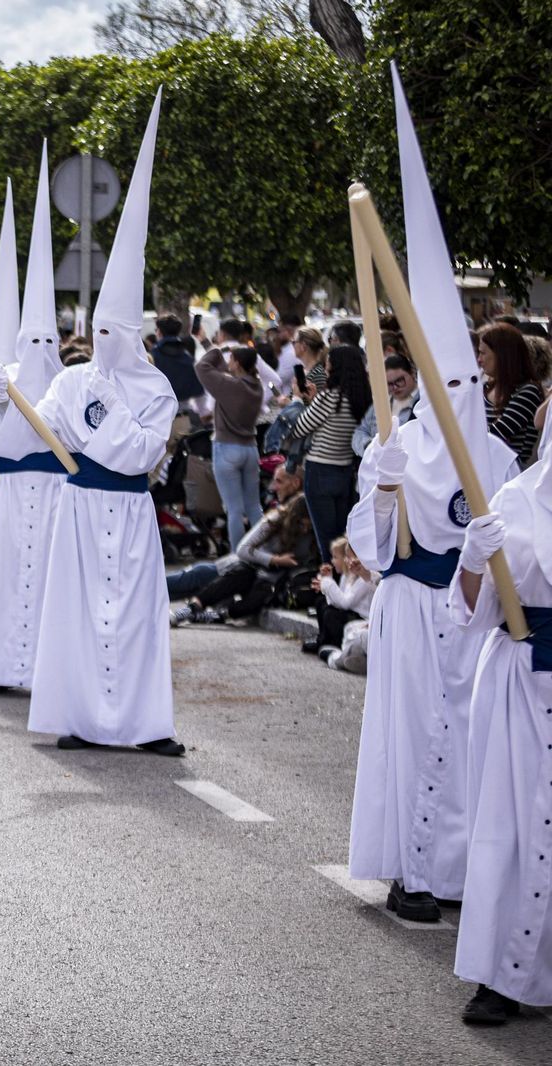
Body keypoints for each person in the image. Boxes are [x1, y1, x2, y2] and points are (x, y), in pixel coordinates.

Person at [345, 74, 523, 924]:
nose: (462, 392)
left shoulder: (494, 448)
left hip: (478, 615)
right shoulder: (400, 440)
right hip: (417, 608)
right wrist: (382, 490)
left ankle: (459, 875)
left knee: (474, 745)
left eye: (470, 378)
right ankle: (413, 871)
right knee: (420, 741)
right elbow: (371, 540)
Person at [29, 93, 184, 757]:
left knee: (136, 620)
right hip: (81, 508)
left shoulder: (156, 390)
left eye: (113, 332)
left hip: (129, 508)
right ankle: (81, 717)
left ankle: (146, 725)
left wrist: (111, 410)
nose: (102, 341)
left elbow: (140, 453)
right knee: (79, 613)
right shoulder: (70, 379)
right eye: (96, 332)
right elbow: (57, 434)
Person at [445, 428, 551, 1025]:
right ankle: (501, 976)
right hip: (522, 675)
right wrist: (474, 560)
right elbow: (474, 612)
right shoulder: (513, 500)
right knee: (511, 826)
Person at [0, 155, 68, 694]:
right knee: (9, 578)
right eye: (33, 342)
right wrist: (2, 401)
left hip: (54, 491)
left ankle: (46, 671)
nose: (40, 352)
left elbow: (70, 430)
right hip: (11, 492)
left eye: (47, 343)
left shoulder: (70, 384)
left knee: (49, 581)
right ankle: (3, 668)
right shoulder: (1, 379)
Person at [168, 491, 315, 626]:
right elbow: (242, 550)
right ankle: (180, 603)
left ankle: (212, 615)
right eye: (302, 524)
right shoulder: (275, 521)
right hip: (243, 567)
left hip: (269, 579)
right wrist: (275, 560)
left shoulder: (312, 535)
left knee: (259, 598)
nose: (305, 530)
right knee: (190, 580)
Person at [288, 343, 372, 561]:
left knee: (327, 541)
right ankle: (345, 582)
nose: (325, 370)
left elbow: (298, 428)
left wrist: (299, 399)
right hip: (345, 472)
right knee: (344, 536)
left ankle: (331, 586)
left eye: (327, 366)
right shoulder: (363, 398)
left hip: (320, 472)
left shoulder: (330, 398)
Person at [195, 341, 264, 550]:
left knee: (234, 509)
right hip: (250, 449)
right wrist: (231, 362)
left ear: (236, 363)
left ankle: (238, 556)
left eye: (231, 359)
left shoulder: (228, 386)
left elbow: (202, 367)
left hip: (226, 448)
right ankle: (260, 550)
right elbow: (230, 372)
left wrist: (217, 350)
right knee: (254, 507)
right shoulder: (256, 386)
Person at [477, 322, 545, 467]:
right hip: (484, 471)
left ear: (502, 355)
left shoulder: (528, 391)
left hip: (511, 476)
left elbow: (498, 433)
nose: (479, 359)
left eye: (483, 353)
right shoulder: (484, 388)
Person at [310, 536, 376, 671]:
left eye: (349, 557)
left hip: (360, 616)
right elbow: (337, 601)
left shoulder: (367, 577)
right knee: (323, 605)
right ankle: (328, 645)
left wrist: (327, 583)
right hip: (355, 617)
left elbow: (345, 603)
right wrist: (325, 587)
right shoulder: (349, 576)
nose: (347, 561)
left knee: (332, 615)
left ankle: (336, 655)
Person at [352, 353, 420, 457]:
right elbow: (360, 431)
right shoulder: (381, 402)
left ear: (412, 373)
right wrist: (369, 446)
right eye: (389, 384)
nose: (395, 387)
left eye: (400, 381)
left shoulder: (423, 402)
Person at [151, 313, 203, 409]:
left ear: (159, 332)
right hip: (183, 414)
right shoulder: (187, 357)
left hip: (158, 413)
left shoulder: (153, 355)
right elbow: (198, 392)